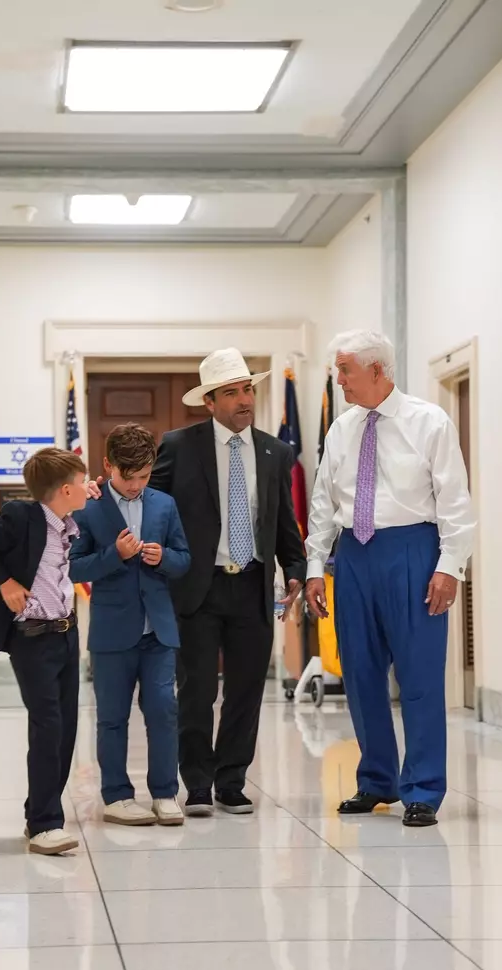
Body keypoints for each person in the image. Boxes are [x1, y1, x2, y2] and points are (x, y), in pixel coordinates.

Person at [305, 330, 475, 827]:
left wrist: (449, 566)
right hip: (354, 556)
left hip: (413, 551)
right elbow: (322, 504)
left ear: (377, 370)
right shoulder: (342, 429)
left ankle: (422, 787)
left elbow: (456, 502)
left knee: (420, 675)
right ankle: (376, 779)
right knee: (359, 673)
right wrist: (316, 566)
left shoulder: (429, 422)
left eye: (345, 371)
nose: (340, 381)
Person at [148, 348, 307, 816]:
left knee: (245, 690)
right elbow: (154, 507)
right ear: (210, 402)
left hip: (253, 586)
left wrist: (294, 568)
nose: (243, 400)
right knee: (197, 690)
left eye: (247, 390)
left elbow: (281, 521)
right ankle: (196, 782)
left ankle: (231, 779)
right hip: (198, 588)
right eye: (232, 392)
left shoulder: (276, 452)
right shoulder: (180, 445)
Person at [0, 447, 88, 855]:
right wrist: (4, 582)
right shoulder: (21, 516)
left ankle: (40, 810)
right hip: (33, 638)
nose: (87, 487)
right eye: (82, 483)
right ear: (65, 489)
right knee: (47, 725)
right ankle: (45, 823)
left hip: (66, 635)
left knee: (65, 728)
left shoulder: (66, 521)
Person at [70, 423, 191, 826]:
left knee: (163, 711)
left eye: (144, 476)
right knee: (112, 717)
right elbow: (70, 567)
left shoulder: (164, 504)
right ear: (108, 466)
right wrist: (113, 556)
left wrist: (165, 559)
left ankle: (164, 793)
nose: (137, 484)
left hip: (158, 630)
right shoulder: (86, 507)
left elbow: (183, 558)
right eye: (128, 476)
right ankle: (117, 796)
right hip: (111, 632)